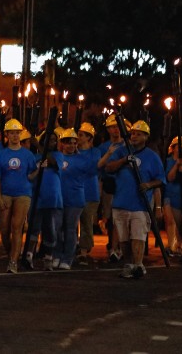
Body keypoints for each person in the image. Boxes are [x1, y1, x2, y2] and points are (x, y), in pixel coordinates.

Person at [101, 119, 164, 279]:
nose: (134, 136)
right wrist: (123, 160)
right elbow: (108, 167)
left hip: (140, 205)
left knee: (137, 236)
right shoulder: (122, 151)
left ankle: (138, 264)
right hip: (121, 202)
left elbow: (160, 179)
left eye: (138, 134)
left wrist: (148, 185)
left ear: (146, 137)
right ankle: (128, 264)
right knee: (123, 238)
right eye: (133, 133)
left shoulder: (152, 157)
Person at [0, 118, 38, 274]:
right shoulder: (2, 154)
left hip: (23, 194)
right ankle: (12, 252)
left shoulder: (27, 154)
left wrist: (39, 169)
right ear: (7, 135)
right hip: (5, 194)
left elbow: (31, 176)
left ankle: (13, 261)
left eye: (17, 133)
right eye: (12, 133)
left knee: (17, 227)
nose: (15, 136)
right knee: (4, 229)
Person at [54, 128, 98, 270]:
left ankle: (68, 258)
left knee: (70, 229)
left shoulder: (82, 159)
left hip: (75, 200)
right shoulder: (56, 158)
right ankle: (57, 255)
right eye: (68, 143)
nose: (71, 145)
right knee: (58, 228)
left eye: (74, 143)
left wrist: (109, 154)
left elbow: (96, 169)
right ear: (62, 143)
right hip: (59, 199)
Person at [23, 130, 62, 271]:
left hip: (52, 198)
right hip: (37, 197)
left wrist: (39, 146)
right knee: (34, 227)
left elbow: (53, 162)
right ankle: (29, 256)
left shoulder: (58, 155)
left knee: (50, 229)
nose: (51, 142)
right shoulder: (35, 157)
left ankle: (48, 258)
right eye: (48, 140)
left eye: (53, 140)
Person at [99, 113, 127, 263]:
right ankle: (112, 245)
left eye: (117, 127)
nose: (115, 130)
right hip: (109, 183)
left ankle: (118, 247)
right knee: (109, 216)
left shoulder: (127, 145)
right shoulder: (103, 147)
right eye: (112, 127)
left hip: (123, 184)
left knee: (121, 216)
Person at [76, 121, 102, 264]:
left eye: (81, 135)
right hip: (75, 190)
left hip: (90, 192)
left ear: (89, 138)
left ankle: (84, 250)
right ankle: (76, 246)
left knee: (86, 221)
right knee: (72, 222)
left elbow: (92, 168)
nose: (78, 138)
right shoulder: (74, 151)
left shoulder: (95, 152)